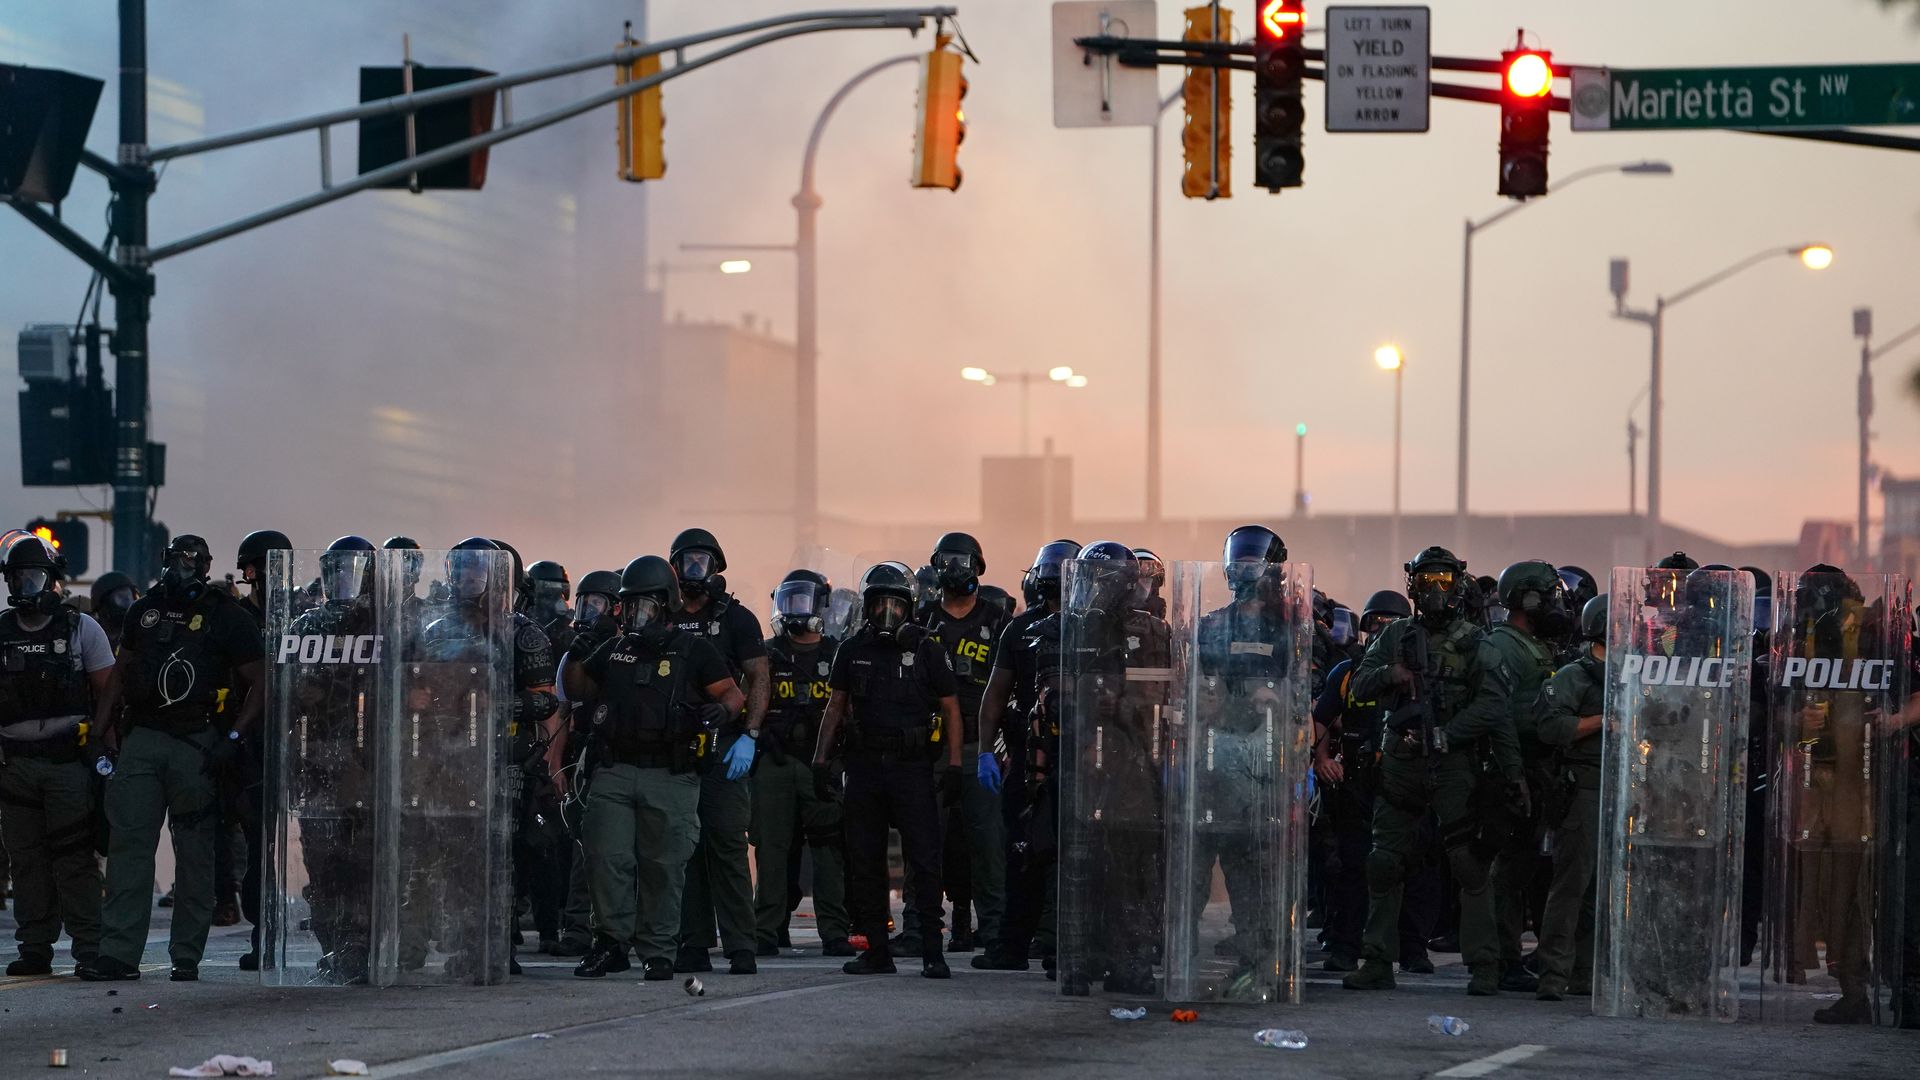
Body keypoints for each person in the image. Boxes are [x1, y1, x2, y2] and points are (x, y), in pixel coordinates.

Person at [84, 535, 265, 982]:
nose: (181, 568)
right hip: (142, 736)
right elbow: (120, 674)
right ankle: (119, 955)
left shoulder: (226, 615)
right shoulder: (142, 613)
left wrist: (234, 737)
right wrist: (98, 733)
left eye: (191, 561)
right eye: (175, 559)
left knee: (196, 850)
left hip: (197, 741)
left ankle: (186, 954)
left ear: (205, 566)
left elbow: (263, 681)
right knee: (129, 846)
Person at [1342, 545, 1516, 997]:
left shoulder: (1477, 641)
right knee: (1383, 862)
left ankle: (1484, 966)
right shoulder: (1395, 635)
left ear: (1457, 585)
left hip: (1453, 762)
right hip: (1400, 760)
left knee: (1469, 864)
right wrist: (1391, 675)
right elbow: (1357, 685)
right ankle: (1378, 958)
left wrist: (1450, 735)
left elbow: (1495, 706)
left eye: (1443, 581)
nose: (1435, 590)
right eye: (1426, 581)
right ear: (1413, 586)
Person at [562, 555, 743, 980]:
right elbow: (576, 690)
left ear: (666, 605)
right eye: (629, 605)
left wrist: (722, 712)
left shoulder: (695, 651)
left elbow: (733, 694)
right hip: (614, 769)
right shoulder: (615, 648)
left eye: (646, 605)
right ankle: (609, 943)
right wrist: (577, 652)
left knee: (664, 865)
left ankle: (659, 950)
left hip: (672, 774)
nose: (635, 614)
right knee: (606, 858)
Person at [403, 538, 557, 980]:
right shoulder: (430, 628)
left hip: (501, 758)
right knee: (440, 855)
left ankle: (495, 946)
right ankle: (441, 943)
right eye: (462, 570)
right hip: (442, 757)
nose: (468, 578)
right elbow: (408, 682)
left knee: (499, 855)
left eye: (477, 571)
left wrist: (492, 705)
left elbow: (546, 701)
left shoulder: (521, 631)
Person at [814, 563, 963, 979]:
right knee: (864, 860)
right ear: (866, 605)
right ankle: (878, 951)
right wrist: (820, 760)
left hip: (913, 767)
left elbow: (951, 708)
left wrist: (954, 765)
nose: (886, 612)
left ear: (909, 608)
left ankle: (934, 951)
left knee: (925, 859)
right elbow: (836, 706)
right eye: (878, 603)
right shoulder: (852, 649)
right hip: (864, 767)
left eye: (894, 605)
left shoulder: (929, 650)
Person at [1055, 542, 1171, 996]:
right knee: (1080, 869)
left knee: (1132, 872)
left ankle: (1133, 964)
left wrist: (1119, 703)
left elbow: (1159, 697)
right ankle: (1079, 962)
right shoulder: (1075, 628)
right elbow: (1063, 688)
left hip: (1133, 763)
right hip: (1084, 764)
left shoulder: (1152, 632)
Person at [1185, 525, 1299, 987]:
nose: (1242, 569)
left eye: (1254, 561)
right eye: (1239, 559)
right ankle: (1181, 958)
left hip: (1262, 762)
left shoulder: (1287, 630)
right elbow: (1193, 689)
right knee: (1194, 868)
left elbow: (1301, 695)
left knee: (1252, 870)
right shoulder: (1213, 625)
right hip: (1213, 759)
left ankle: (1260, 961)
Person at [0, 534, 115, 976]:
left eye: (33, 576)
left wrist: (104, 747)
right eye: (18, 577)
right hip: (16, 764)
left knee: (74, 856)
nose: (25, 585)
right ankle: (34, 945)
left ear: (51, 580)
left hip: (69, 761)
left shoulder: (81, 628)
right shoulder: (2, 631)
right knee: (25, 858)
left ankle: (89, 943)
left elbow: (108, 692)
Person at [1313, 588, 1438, 975]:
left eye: (1390, 623)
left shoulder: (1424, 674)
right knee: (1354, 867)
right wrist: (1320, 759)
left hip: (1407, 781)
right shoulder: (1348, 672)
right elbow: (1319, 718)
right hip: (1358, 783)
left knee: (1414, 865)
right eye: (1375, 623)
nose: (1381, 629)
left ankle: (1413, 948)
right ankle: (1346, 947)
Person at [665, 528, 769, 976]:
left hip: (726, 747)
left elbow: (759, 678)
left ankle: (741, 945)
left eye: (702, 562)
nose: (694, 571)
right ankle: (693, 942)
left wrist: (750, 733)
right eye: (686, 562)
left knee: (727, 845)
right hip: (675, 750)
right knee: (683, 849)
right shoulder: (660, 615)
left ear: (716, 567)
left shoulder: (738, 619)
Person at [973, 539, 1079, 971]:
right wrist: (985, 750)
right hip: (1029, 756)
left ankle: (1057, 945)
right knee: (1023, 852)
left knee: (1068, 853)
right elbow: (995, 695)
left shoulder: (1093, 627)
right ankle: (1013, 946)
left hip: (1080, 755)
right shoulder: (1020, 630)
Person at [282, 536, 381, 983]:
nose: (342, 579)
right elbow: (286, 701)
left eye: (351, 570)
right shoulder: (305, 628)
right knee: (322, 862)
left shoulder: (386, 625)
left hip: (371, 765)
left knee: (363, 861)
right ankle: (335, 946)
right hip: (319, 762)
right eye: (334, 570)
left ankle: (361, 946)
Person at [912, 531, 1011, 954]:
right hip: (928, 748)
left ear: (978, 567)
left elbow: (1013, 686)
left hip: (979, 745)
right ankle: (919, 929)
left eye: (963, 561)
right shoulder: (919, 622)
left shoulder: (998, 623)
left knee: (988, 844)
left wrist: (1001, 746)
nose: (955, 570)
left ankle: (994, 931)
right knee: (923, 842)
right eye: (947, 560)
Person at [752, 569, 851, 957]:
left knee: (828, 852)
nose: (794, 610)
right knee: (772, 850)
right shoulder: (766, 652)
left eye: (802, 600)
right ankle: (768, 929)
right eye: (787, 601)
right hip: (775, 762)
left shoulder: (838, 652)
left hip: (821, 763)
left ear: (820, 605)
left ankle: (834, 931)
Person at [1486, 560, 1570, 993]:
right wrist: (1514, 773)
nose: (1556, 604)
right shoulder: (1504, 646)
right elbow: (1497, 714)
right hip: (1513, 769)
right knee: (1509, 870)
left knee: (1528, 869)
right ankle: (1501, 958)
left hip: (1537, 767)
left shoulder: (1533, 645)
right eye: (1549, 595)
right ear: (1527, 599)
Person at [1534, 593, 1608, 1000]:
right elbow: (1549, 727)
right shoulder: (1574, 676)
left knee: (1601, 888)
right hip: (1584, 786)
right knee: (1570, 886)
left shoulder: (1627, 673)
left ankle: (1586, 972)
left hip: (1617, 789)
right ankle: (1554, 974)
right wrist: (1604, 719)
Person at [552, 568, 623, 959]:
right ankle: (578, 927)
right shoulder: (576, 653)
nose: (588, 611)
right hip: (584, 755)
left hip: (619, 755)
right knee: (583, 846)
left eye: (595, 603)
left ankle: (615, 928)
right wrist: (555, 760)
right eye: (584, 602)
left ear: (616, 607)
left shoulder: (632, 648)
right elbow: (566, 707)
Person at [229, 528, 291, 970]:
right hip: (250, 744)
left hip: (300, 741)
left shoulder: (304, 613)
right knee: (258, 846)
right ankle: (262, 933)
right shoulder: (234, 618)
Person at [88, 572, 139, 651]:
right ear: (104, 605)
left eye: (129, 598)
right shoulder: (90, 637)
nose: (129, 604)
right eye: (122, 598)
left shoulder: (140, 635)